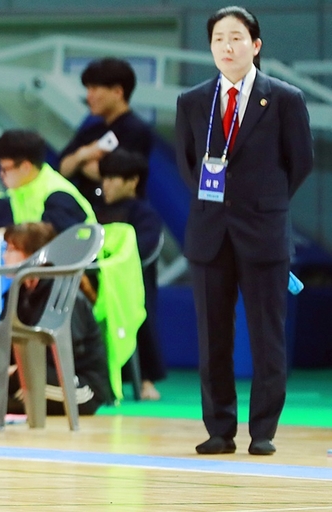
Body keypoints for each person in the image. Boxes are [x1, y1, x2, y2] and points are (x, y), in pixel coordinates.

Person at [175, 6, 312, 456]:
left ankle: (264, 431)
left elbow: (300, 162)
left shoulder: (284, 98)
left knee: (266, 336)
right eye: (218, 39)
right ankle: (219, 429)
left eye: (236, 38)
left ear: (255, 46)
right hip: (209, 233)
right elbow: (187, 164)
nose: (226, 47)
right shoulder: (192, 101)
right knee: (212, 337)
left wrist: (263, 202)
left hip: (264, 232)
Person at [0, 222, 112, 416]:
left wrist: (11, 372)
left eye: (12, 250)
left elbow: (60, 354)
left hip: (79, 385)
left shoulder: (64, 294)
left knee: (24, 375)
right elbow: (6, 348)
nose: (4, 256)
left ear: (36, 255)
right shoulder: (17, 293)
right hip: (26, 373)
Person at [96, 148, 165, 400]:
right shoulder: (94, 209)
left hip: (133, 282)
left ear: (133, 181)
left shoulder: (144, 214)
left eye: (113, 178)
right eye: (104, 178)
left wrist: (116, 265)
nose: (106, 185)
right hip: (98, 280)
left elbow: (145, 248)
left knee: (141, 323)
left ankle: (145, 380)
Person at [58, 57, 154, 209]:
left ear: (117, 92)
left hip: (120, 212)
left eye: (94, 89)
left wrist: (79, 164)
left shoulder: (135, 130)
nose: (89, 96)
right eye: (88, 89)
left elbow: (116, 175)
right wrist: (84, 154)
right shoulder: (91, 130)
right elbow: (63, 168)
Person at [0, 129, 97, 233]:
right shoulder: (17, 192)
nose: (1, 174)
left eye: (4, 169)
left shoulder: (57, 195)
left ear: (25, 167)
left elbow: (50, 241)